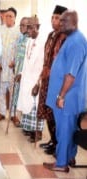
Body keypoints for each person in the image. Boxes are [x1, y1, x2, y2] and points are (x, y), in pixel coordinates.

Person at [44, 10, 87, 173]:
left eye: (64, 22)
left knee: (64, 131)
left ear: (74, 23)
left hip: (68, 97)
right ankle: (68, 157)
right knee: (68, 130)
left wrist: (61, 95)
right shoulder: (71, 39)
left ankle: (61, 163)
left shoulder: (76, 42)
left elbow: (71, 75)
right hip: (66, 96)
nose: (60, 24)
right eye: (60, 21)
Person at [37, 5, 67, 155]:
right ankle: (53, 140)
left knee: (55, 113)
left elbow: (61, 61)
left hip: (57, 82)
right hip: (46, 80)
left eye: (57, 18)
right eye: (53, 17)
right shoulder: (51, 35)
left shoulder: (65, 37)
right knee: (47, 111)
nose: (53, 20)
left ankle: (58, 144)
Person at [17, 17, 45, 142]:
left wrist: (38, 83)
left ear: (36, 28)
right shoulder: (28, 41)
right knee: (26, 104)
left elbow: (45, 65)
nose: (27, 30)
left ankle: (37, 133)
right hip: (27, 78)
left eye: (30, 28)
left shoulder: (43, 42)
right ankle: (29, 128)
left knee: (35, 106)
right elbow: (25, 62)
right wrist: (21, 73)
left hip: (36, 80)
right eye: (26, 27)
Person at [0, 7, 20, 122]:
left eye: (11, 16)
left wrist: (15, 62)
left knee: (12, 91)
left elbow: (19, 50)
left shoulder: (18, 32)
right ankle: (1, 112)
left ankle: (13, 114)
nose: (8, 18)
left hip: (12, 67)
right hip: (2, 66)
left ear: (15, 18)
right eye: (6, 16)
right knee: (1, 90)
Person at [10, 17, 29, 127]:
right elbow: (15, 52)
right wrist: (13, 62)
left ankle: (21, 118)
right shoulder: (19, 38)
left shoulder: (29, 40)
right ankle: (14, 116)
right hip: (16, 70)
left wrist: (22, 73)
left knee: (22, 95)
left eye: (23, 25)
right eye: (20, 25)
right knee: (15, 94)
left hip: (24, 73)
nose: (21, 27)